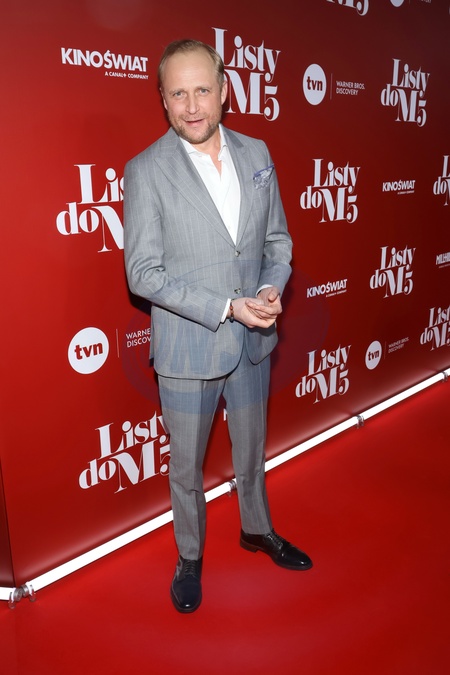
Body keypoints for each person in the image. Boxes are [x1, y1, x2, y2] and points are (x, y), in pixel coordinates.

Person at [124, 39, 312, 613]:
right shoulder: (146, 170)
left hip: (253, 341)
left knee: (251, 450)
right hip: (188, 348)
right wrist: (227, 307)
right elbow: (143, 275)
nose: (191, 106)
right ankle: (190, 555)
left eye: (202, 90)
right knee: (186, 468)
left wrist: (270, 288)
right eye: (177, 93)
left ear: (225, 90)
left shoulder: (257, 153)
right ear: (163, 99)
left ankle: (257, 529)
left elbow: (278, 241)